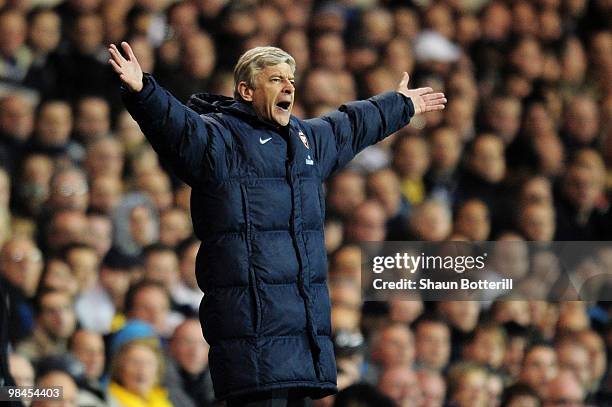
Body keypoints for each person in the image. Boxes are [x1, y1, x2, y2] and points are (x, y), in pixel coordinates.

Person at [108, 40, 446, 406]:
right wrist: (143, 89)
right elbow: (178, 127)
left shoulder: (306, 141)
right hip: (252, 344)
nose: (288, 87)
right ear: (246, 90)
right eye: (276, 80)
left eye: (292, 80)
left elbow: (350, 124)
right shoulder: (219, 141)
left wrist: (400, 104)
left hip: (304, 344)